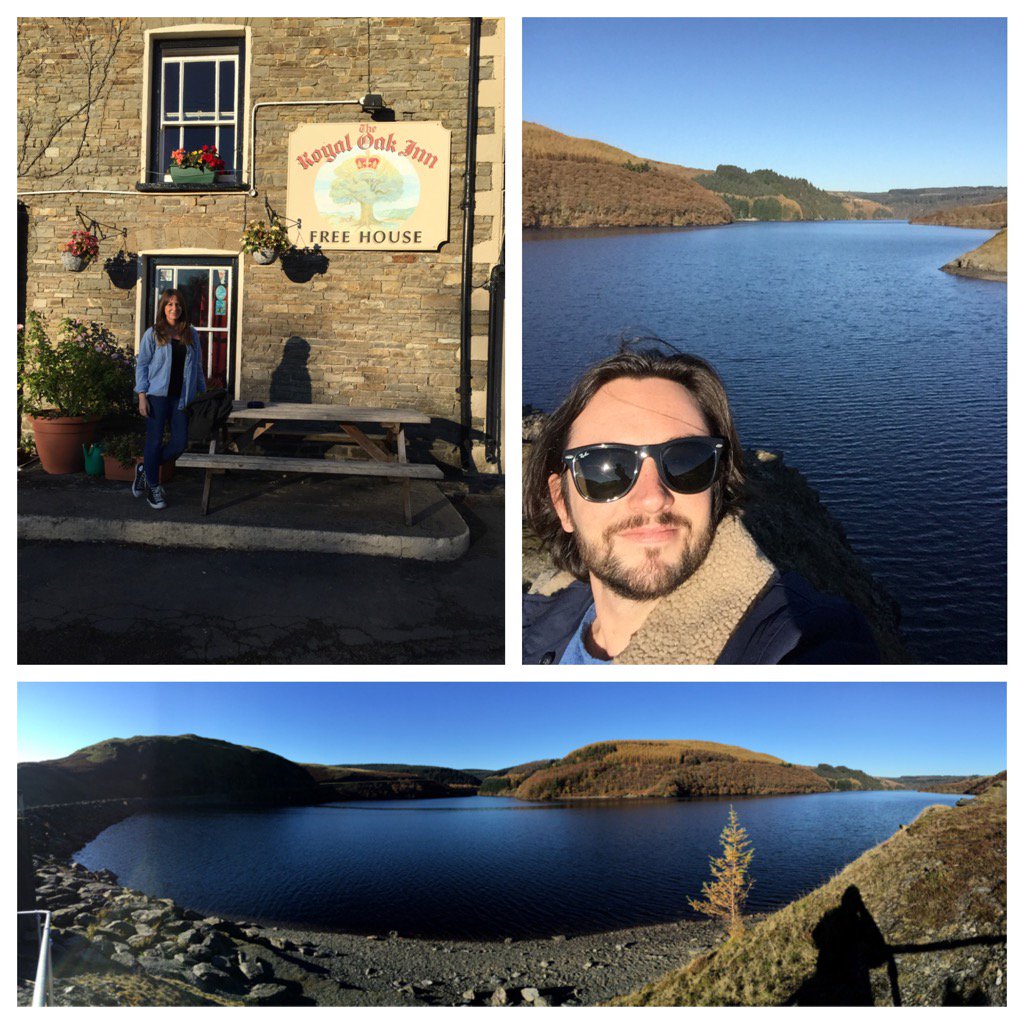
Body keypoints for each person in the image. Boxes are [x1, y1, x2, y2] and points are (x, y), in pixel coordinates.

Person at [523, 343, 879, 665]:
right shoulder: (536, 617)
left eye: (686, 462)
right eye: (606, 469)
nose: (652, 497)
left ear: (719, 486)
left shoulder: (797, 641)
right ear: (562, 503)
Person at [133, 289, 206, 509]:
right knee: (154, 442)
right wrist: (142, 396)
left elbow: (198, 367)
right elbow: (142, 365)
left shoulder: (190, 334)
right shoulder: (154, 333)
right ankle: (153, 487)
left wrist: (201, 393)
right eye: (169, 304)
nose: (174, 308)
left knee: (179, 443)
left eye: (178, 305)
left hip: (181, 398)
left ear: (183, 308)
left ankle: (146, 469)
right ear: (163, 308)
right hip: (156, 397)